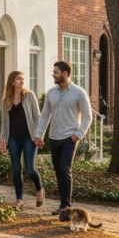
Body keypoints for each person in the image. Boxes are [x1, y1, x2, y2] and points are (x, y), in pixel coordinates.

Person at [34, 60, 92, 215]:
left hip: (69, 138)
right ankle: (62, 205)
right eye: (54, 72)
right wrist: (39, 135)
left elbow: (88, 116)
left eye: (56, 72)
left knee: (65, 168)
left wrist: (77, 135)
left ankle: (66, 206)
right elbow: (45, 116)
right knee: (58, 172)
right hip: (54, 138)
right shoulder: (51, 93)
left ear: (65, 74)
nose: (53, 75)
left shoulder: (79, 93)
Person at [0, 70, 45, 209]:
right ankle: (19, 200)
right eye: (19, 79)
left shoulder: (29, 96)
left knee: (29, 169)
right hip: (13, 138)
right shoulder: (6, 99)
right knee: (16, 169)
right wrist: (3, 138)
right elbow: (4, 122)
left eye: (23, 79)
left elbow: (38, 117)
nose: (21, 81)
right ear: (12, 81)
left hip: (28, 138)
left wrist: (38, 136)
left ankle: (40, 189)